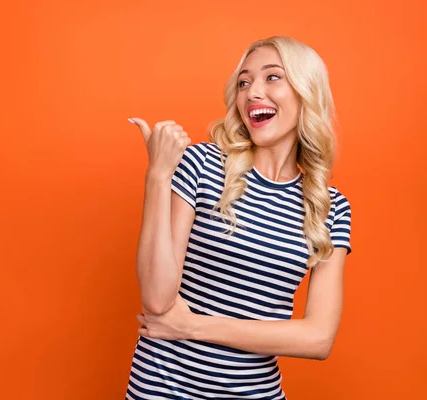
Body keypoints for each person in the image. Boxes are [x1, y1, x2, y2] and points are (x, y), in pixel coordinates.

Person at [125, 35, 352, 400]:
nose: (252, 92)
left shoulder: (330, 207)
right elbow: (156, 298)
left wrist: (192, 326)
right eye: (244, 83)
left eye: (272, 77)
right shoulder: (201, 166)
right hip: (163, 391)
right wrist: (158, 175)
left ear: (306, 92)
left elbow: (318, 338)